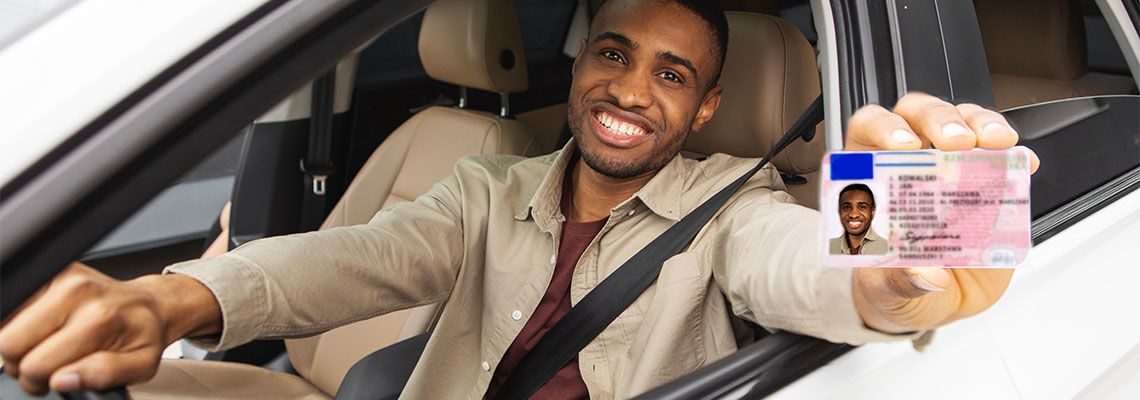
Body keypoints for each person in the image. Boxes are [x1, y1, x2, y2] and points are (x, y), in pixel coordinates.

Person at [0, 0, 1040, 398]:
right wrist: (172, 300)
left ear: (708, 102)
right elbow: (349, 259)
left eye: (671, 76)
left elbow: (806, 267)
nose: (632, 91)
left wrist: (903, 271)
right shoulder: (487, 188)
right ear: (581, 59)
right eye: (616, 54)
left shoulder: (734, 206)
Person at [830, 183, 888, 255]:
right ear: (839, 211)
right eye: (846, 207)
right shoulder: (828, 248)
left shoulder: (887, 249)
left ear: (872, 211)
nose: (854, 215)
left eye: (862, 207)